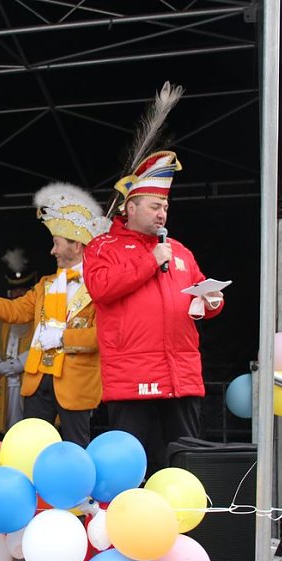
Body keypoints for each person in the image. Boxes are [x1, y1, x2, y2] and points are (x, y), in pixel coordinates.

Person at [82, 150, 224, 475]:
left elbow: (201, 290)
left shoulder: (181, 252)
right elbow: (101, 289)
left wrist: (213, 302)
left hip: (181, 376)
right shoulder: (103, 248)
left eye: (165, 208)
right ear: (131, 208)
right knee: (132, 467)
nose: (162, 214)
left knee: (182, 464)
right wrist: (150, 261)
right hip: (134, 379)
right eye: (155, 207)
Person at [0, 183, 105, 448]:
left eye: (57, 244)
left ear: (77, 246)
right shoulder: (46, 285)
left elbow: (103, 336)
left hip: (75, 383)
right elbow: (14, 312)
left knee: (74, 447)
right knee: (32, 448)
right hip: (38, 380)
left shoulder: (100, 285)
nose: (52, 251)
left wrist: (63, 338)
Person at [0, 248, 37, 434]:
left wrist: (20, 364)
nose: (18, 295)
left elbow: (43, 347)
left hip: (27, 382)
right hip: (5, 385)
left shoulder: (39, 316)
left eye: (23, 291)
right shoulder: (1, 318)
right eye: (14, 291)